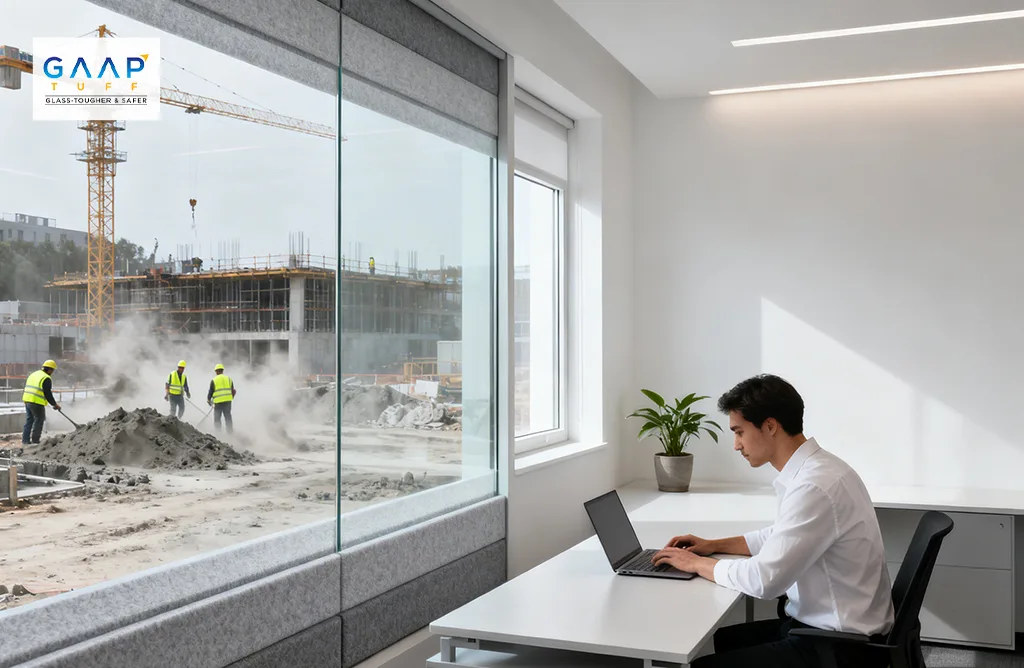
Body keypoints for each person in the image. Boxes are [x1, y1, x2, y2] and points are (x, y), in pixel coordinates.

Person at [652, 374, 893, 668]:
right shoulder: (821, 469)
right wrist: (712, 545)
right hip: (835, 628)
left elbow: (765, 580)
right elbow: (782, 535)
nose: (736, 445)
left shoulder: (814, 486)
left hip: (838, 646)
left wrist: (698, 565)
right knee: (724, 640)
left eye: (739, 432)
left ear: (770, 426)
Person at [22, 359, 61, 446]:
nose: (52, 372)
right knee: (39, 419)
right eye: (52, 370)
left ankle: (25, 441)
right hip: (36, 402)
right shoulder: (46, 378)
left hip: (27, 400)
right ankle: (35, 441)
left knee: (29, 420)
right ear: (50, 369)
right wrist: (55, 404)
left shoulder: (34, 374)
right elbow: (47, 393)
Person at [207, 363, 236, 434]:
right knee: (228, 417)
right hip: (228, 402)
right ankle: (230, 432)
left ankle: (218, 433)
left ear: (216, 371)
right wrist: (231, 397)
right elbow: (233, 390)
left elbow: (211, 391)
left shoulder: (214, 380)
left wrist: (208, 400)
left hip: (218, 403)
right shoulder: (229, 379)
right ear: (222, 370)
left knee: (217, 418)